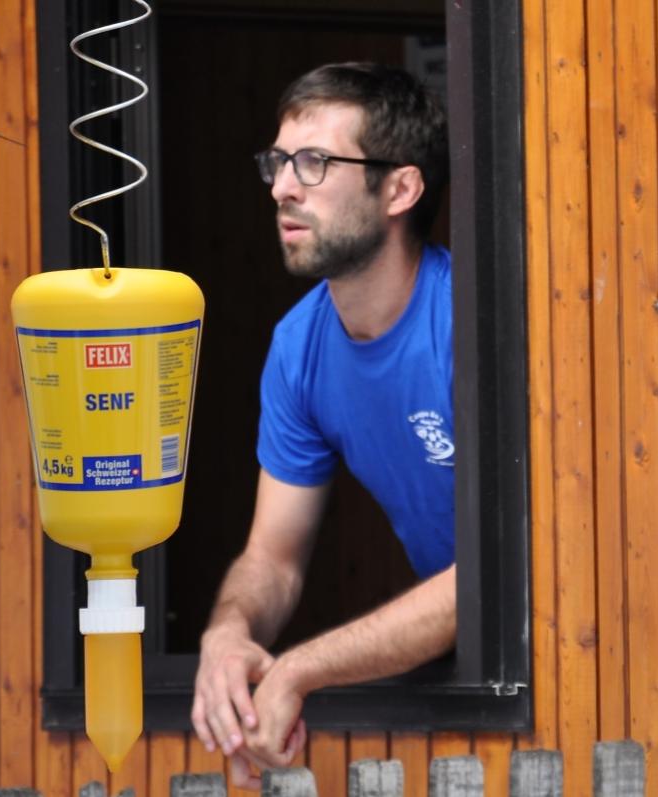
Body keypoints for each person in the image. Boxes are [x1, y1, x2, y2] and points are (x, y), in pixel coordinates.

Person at [190, 62, 454, 788]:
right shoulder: (298, 347)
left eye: (313, 162)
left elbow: (505, 575)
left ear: (399, 189)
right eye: (278, 162)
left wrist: (300, 667)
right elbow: (273, 559)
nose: (281, 186)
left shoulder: (468, 325)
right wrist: (229, 633)